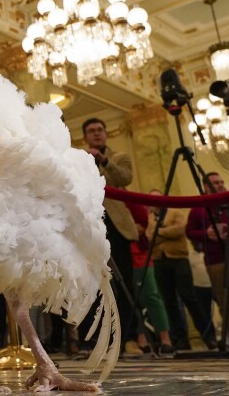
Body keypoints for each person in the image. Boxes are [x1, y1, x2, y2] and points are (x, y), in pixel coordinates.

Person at [81, 118, 141, 357]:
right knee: (92, 285)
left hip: (117, 228)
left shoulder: (120, 157)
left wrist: (104, 160)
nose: (96, 134)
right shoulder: (80, 160)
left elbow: (124, 178)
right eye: (91, 131)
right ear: (85, 137)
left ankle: (130, 339)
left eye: (100, 130)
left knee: (124, 283)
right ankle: (95, 340)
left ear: (105, 134)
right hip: (91, 228)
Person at [146, 189, 208, 354]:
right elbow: (148, 235)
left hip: (179, 259)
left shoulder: (175, 212)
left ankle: (207, 335)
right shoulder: (151, 217)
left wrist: (159, 232)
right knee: (169, 301)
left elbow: (179, 230)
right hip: (160, 261)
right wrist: (165, 232)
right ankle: (180, 339)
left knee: (188, 297)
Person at [186, 172, 229, 348]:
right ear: (206, 186)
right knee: (226, 303)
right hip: (215, 261)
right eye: (216, 182)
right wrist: (206, 233)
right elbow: (189, 232)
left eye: (222, 181)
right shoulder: (199, 208)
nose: (221, 184)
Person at [126, 200, 174, 355]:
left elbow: (141, 224)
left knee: (151, 296)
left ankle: (165, 339)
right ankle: (141, 339)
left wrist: (129, 229)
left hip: (139, 256)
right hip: (122, 257)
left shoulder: (129, 200)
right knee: (132, 300)